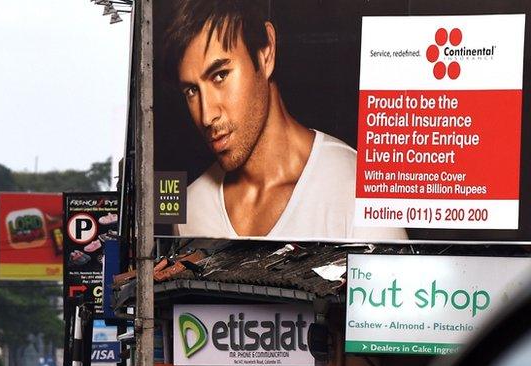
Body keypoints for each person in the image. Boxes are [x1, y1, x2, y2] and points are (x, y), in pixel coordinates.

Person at [163, 0, 407, 241]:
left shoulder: (355, 191)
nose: (207, 115)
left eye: (220, 75)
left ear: (266, 52)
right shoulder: (192, 209)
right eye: (191, 91)